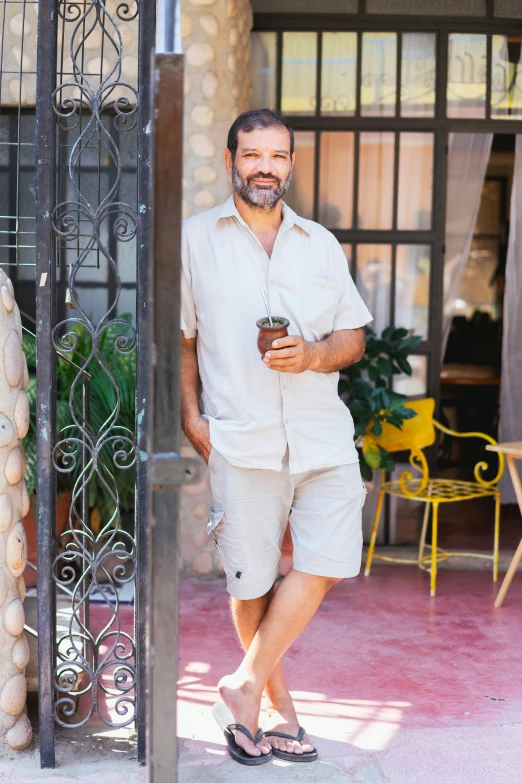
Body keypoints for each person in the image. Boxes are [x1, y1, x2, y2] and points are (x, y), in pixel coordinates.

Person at [180, 109, 372, 765]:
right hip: (242, 434)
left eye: (278, 156)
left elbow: (353, 338)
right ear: (232, 157)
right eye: (254, 154)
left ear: (291, 162)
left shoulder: (319, 242)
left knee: (326, 560)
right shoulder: (195, 239)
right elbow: (182, 338)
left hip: (321, 436)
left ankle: (240, 684)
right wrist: (191, 417)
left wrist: (313, 354)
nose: (267, 166)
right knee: (251, 579)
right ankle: (274, 708)